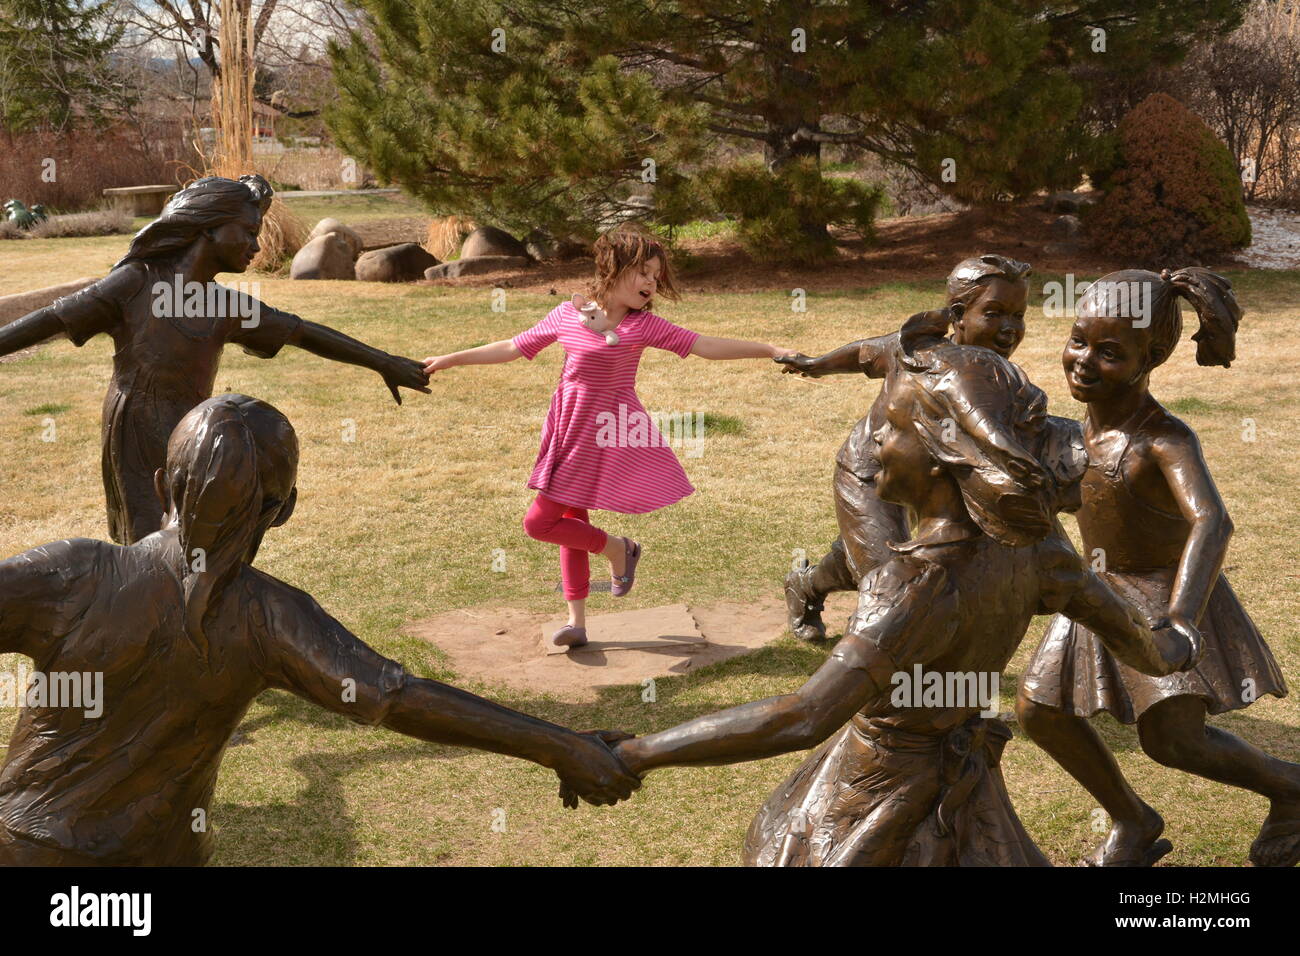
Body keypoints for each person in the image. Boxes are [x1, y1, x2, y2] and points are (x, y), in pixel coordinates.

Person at [605, 316, 1201, 866]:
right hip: (967, 782)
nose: (875, 446)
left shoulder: (915, 584)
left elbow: (803, 717)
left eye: (891, 431)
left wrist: (635, 753)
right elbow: (1140, 642)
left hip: (876, 795)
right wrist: (1175, 641)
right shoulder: (1040, 551)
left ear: (943, 455)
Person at [0, 394, 638, 866]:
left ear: (163, 483)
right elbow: (397, 697)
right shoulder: (273, 619)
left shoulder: (72, 574)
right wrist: (558, 744)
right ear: (285, 512)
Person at [1016, 268, 1299, 867]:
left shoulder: (1163, 439)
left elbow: (1212, 522)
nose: (1084, 360)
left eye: (1110, 352)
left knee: (1173, 741)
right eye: (1078, 339)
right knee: (1038, 711)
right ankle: (1132, 820)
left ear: (1154, 356)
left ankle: (1291, 788)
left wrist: (1180, 617)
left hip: (1160, 596)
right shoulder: (1074, 434)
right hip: (1097, 589)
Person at [0, 174, 430, 544]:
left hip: (197, 433)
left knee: (200, 536)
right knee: (149, 542)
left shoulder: (225, 305)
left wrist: (383, 361)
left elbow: (301, 331)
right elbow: (50, 319)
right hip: (137, 431)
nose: (255, 246)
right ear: (206, 228)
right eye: (246, 231)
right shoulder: (133, 284)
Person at [422, 224, 797, 647]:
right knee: (570, 520)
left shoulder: (643, 326)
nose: (651, 282)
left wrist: (768, 349)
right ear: (614, 269)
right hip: (566, 428)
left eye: (656, 276)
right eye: (643, 272)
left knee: (539, 522)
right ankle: (577, 622)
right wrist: (450, 360)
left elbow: (704, 345)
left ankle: (619, 550)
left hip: (603, 435)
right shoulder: (569, 314)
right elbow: (513, 346)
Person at [776, 254, 1031, 641]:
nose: (1009, 328)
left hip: (933, 482)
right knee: (889, 586)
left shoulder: (999, 378)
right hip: (872, 472)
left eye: (1019, 316)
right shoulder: (915, 351)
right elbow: (865, 353)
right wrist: (815, 364)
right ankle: (873, 685)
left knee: (899, 556)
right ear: (959, 314)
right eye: (994, 314)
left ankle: (808, 584)